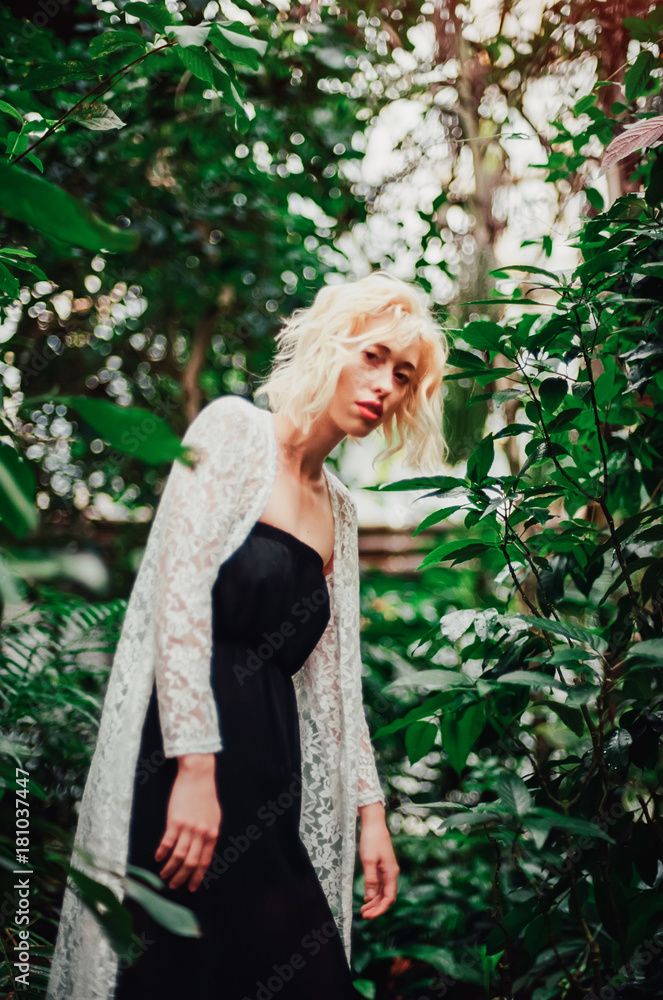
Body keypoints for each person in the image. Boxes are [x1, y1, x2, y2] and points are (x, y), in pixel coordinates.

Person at [46, 270, 448, 1000]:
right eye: (373, 357)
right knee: (171, 974)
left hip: (270, 781)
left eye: (403, 374)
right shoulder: (234, 433)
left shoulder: (341, 511)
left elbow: (335, 677)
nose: (384, 384)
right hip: (181, 766)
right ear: (330, 346)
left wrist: (371, 813)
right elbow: (179, 600)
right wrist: (195, 772)